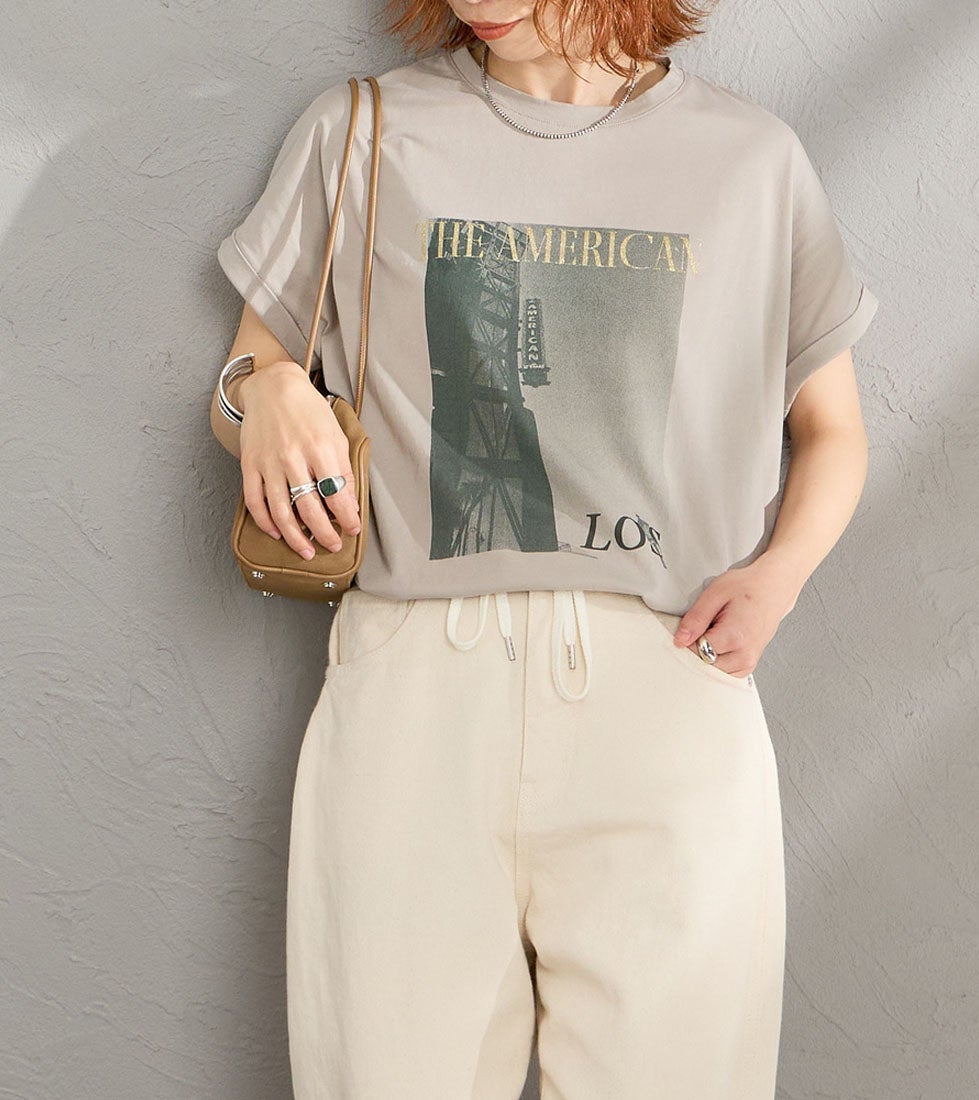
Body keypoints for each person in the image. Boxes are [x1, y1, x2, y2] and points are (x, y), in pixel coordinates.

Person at [209, 1, 879, 1096]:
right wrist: (272, 391)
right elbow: (246, 376)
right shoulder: (362, 132)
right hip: (415, 690)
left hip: (667, 685)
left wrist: (779, 576)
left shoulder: (751, 161)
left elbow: (833, 430)